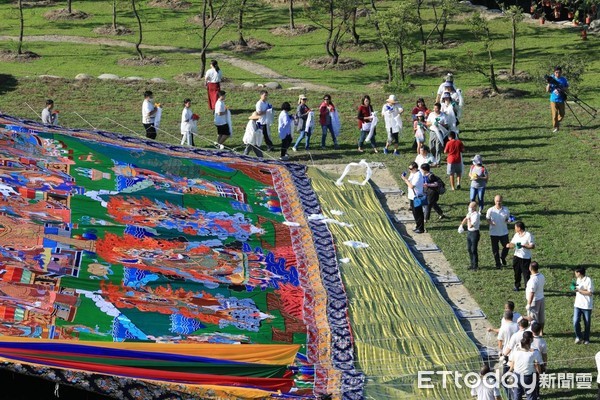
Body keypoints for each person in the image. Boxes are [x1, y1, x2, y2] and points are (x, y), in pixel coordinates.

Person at [508, 331, 542, 400]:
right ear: (530, 341)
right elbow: (537, 365)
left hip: (516, 375)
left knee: (517, 395)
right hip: (528, 377)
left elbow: (512, 363)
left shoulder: (516, 351)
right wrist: (540, 374)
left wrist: (509, 372)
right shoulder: (533, 353)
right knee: (530, 395)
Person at [507, 221, 535, 292]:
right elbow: (512, 243)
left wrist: (523, 246)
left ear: (519, 228)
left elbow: (532, 246)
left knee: (526, 274)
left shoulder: (528, 235)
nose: (514, 228)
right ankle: (517, 286)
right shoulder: (516, 235)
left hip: (525, 258)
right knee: (517, 273)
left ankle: (528, 288)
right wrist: (509, 245)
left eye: (515, 227)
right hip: (517, 256)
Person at [486, 195, 511, 269]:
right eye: (497, 201)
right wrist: (491, 223)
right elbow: (487, 219)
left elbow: (508, 218)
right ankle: (498, 264)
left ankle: (502, 257)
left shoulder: (506, 210)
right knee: (495, 249)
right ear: (494, 201)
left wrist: (509, 220)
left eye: (499, 201)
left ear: (502, 201)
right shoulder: (490, 210)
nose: (498, 202)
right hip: (494, 233)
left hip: (504, 232)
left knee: (507, 246)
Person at [401, 162, 425, 234]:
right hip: (412, 196)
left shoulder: (418, 175)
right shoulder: (413, 173)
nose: (409, 170)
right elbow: (409, 183)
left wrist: (405, 179)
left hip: (416, 197)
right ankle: (418, 226)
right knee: (415, 213)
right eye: (409, 168)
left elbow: (411, 186)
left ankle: (421, 228)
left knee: (418, 213)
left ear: (415, 168)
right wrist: (405, 179)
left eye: (410, 169)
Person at [573, 267, 594, 344]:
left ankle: (586, 339)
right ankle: (578, 336)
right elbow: (579, 290)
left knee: (587, 323)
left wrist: (579, 290)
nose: (575, 274)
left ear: (579, 273)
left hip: (586, 306)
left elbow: (590, 293)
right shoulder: (578, 279)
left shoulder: (588, 280)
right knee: (575, 321)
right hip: (577, 305)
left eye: (575, 272)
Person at [546, 66, 568, 132]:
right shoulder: (551, 79)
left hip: (561, 99)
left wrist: (562, 88)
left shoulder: (563, 79)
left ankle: (556, 122)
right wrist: (549, 84)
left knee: (562, 114)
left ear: (561, 72)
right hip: (553, 100)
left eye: (559, 72)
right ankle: (556, 127)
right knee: (554, 115)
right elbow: (547, 90)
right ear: (554, 72)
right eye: (556, 72)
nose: (558, 74)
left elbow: (566, 88)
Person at [525, 261, 545, 336]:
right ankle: (541, 331)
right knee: (541, 316)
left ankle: (535, 333)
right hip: (541, 298)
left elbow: (532, 293)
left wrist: (529, 304)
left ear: (530, 268)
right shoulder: (542, 276)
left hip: (534, 301)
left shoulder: (533, 280)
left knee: (533, 318)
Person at [460, 201, 480, 270]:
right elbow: (466, 218)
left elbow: (470, 225)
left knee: (473, 249)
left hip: (474, 233)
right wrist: (461, 225)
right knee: (469, 249)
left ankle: (475, 265)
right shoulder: (470, 213)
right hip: (469, 233)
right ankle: (472, 264)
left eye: (471, 207)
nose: (469, 208)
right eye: (469, 206)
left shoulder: (476, 215)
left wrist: (468, 219)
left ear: (475, 207)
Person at [530, 322, 548, 400]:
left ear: (531, 330)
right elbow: (544, 355)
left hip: (529, 362)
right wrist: (545, 364)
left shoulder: (529, 339)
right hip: (539, 363)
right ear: (540, 330)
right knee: (537, 379)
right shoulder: (542, 342)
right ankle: (537, 394)